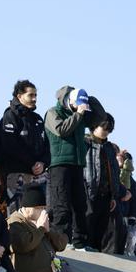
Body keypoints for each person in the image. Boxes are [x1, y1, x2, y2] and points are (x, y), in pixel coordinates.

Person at [44, 86, 106, 250]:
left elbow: (100, 118)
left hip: (77, 164)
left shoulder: (81, 114)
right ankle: (61, 242)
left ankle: (79, 242)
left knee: (80, 205)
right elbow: (62, 130)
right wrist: (78, 114)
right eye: (77, 104)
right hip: (59, 165)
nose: (80, 108)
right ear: (68, 101)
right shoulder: (53, 113)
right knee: (62, 205)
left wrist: (89, 99)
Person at [0, 80, 50, 214]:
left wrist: (43, 162)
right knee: (18, 217)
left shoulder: (37, 119)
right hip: (17, 177)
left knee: (41, 218)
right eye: (30, 95)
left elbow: (47, 146)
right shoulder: (10, 116)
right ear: (19, 96)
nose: (34, 99)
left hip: (40, 177)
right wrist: (31, 163)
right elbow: (11, 146)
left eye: (36, 95)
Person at [84, 114, 124, 253]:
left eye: (109, 129)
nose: (107, 131)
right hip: (88, 195)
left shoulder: (109, 148)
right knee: (88, 230)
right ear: (94, 126)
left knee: (109, 233)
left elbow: (114, 173)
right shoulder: (84, 143)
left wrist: (114, 195)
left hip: (106, 196)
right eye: (105, 128)